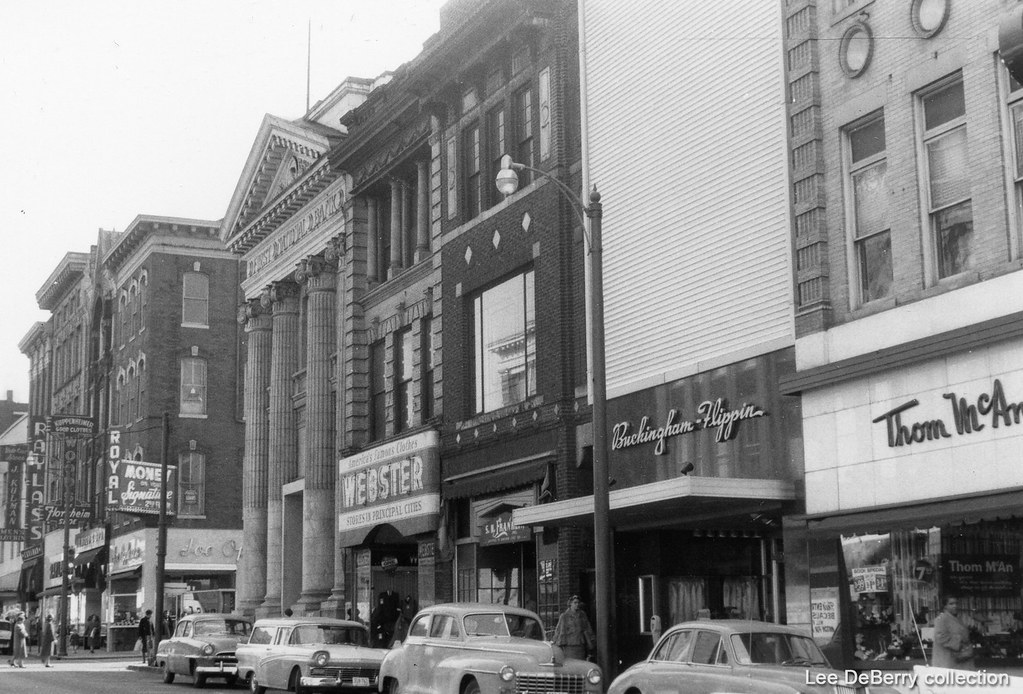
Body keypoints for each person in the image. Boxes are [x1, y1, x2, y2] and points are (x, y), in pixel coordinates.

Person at [933, 596, 975, 669]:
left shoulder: (960, 618)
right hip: (946, 660)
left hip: (961, 659)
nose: (955, 606)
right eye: (951, 604)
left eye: (956, 603)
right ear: (945, 606)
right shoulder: (941, 619)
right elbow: (941, 637)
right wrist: (959, 641)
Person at [552, 595, 596, 661]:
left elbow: (587, 628)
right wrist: (555, 643)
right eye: (575, 603)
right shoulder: (564, 616)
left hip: (580, 645)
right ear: (570, 604)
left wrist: (591, 641)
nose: (577, 604)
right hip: (569, 646)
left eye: (578, 603)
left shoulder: (582, 615)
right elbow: (558, 631)